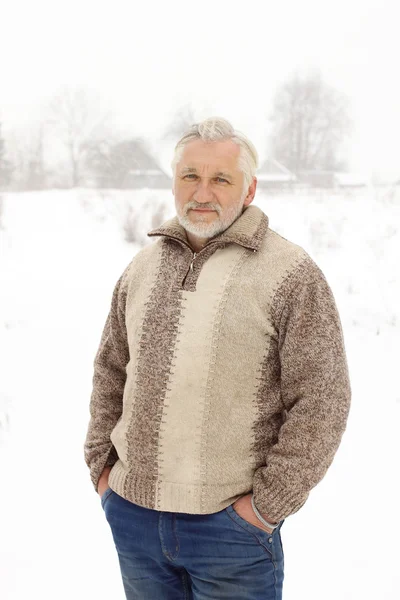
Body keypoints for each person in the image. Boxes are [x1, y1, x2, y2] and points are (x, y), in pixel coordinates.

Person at [84, 117, 351, 600]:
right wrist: (102, 469)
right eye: (190, 175)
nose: (201, 192)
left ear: (249, 190)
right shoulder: (142, 267)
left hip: (231, 531)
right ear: (173, 182)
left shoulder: (290, 274)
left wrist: (267, 506)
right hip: (134, 519)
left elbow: (322, 399)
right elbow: (110, 371)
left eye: (220, 179)